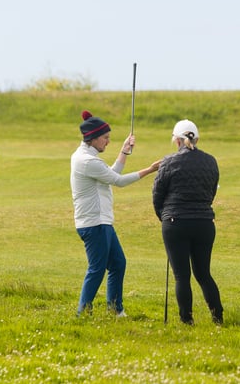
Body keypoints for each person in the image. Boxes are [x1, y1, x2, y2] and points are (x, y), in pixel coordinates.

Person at [70, 110, 160, 317]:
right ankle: (83, 312)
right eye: (105, 138)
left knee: (118, 263)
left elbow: (111, 175)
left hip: (102, 222)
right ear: (92, 138)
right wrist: (150, 169)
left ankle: (115, 309)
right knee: (97, 269)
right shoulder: (87, 161)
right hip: (94, 223)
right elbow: (117, 181)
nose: (108, 142)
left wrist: (124, 152)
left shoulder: (88, 157)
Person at [152, 119, 224, 325]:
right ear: (197, 139)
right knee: (203, 274)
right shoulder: (211, 161)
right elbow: (211, 193)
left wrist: (163, 216)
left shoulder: (168, 162)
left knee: (181, 276)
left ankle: (186, 319)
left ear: (176, 140)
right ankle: (218, 316)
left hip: (175, 222)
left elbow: (157, 194)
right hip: (204, 222)